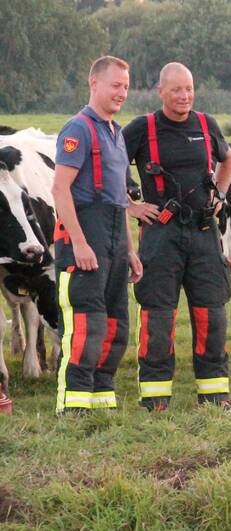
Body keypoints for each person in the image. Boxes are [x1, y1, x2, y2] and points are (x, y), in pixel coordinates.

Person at [123, 62, 231, 411]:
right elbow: (110, 168)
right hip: (161, 237)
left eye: (188, 89)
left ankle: (214, 397)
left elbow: (227, 159)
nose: (184, 96)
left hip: (204, 233)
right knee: (157, 316)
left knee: (212, 315)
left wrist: (219, 195)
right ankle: (155, 401)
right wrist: (131, 205)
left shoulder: (206, 124)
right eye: (176, 90)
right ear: (161, 92)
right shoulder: (142, 128)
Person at [51, 55, 144, 415]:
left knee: (114, 328)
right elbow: (61, 190)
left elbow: (119, 199)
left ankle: (101, 406)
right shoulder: (78, 129)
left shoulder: (116, 132)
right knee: (85, 326)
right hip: (84, 239)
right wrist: (79, 243)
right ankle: (73, 409)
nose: (121, 92)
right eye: (115, 85)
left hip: (115, 242)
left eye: (125, 86)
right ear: (94, 84)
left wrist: (130, 251)